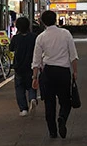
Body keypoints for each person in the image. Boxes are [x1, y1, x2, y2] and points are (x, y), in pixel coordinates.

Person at [32, 10, 78, 139]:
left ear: (42, 22)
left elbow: (36, 60)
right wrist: (75, 72)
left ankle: (52, 132)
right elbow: (73, 56)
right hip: (63, 72)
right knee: (66, 101)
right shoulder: (65, 34)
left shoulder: (41, 37)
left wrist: (34, 77)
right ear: (56, 19)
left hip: (47, 72)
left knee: (49, 103)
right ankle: (62, 117)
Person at [10, 17, 38, 116]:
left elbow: (11, 49)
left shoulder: (16, 38)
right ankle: (32, 98)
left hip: (19, 66)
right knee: (32, 84)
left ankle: (23, 109)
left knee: (19, 88)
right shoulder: (34, 37)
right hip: (31, 65)